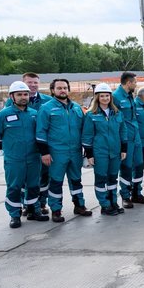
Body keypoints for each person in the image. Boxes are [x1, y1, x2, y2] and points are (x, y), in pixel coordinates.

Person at [36, 78, 92, 222]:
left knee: (76, 180)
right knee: (56, 182)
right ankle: (56, 210)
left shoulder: (76, 108)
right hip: (56, 152)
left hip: (75, 151)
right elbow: (41, 132)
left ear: (68, 89)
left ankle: (79, 205)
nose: (62, 90)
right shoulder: (46, 108)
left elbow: (84, 130)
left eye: (65, 88)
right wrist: (44, 152)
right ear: (52, 90)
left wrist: (87, 150)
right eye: (59, 88)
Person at [0, 82, 43, 228]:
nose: (23, 97)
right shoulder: (2, 115)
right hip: (14, 159)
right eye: (19, 94)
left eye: (25, 94)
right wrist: (11, 149)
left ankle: (34, 210)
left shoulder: (34, 114)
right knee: (14, 187)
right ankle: (15, 215)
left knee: (33, 185)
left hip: (33, 157)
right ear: (12, 96)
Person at [4, 72, 53, 217]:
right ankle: (25, 205)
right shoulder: (11, 103)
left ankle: (41, 204)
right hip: (21, 151)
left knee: (43, 178)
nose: (32, 85)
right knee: (22, 181)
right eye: (29, 82)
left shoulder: (47, 101)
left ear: (39, 83)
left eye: (35, 82)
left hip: (42, 148)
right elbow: (1, 131)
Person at [82, 83, 127, 216]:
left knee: (113, 178)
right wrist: (89, 154)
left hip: (115, 152)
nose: (105, 98)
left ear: (110, 97)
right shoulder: (91, 115)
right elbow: (87, 136)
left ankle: (113, 202)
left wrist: (124, 149)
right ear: (97, 97)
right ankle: (105, 205)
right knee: (101, 179)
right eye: (102, 96)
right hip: (100, 152)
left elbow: (123, 132)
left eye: (107, 96)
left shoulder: (117, 113)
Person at [113, 72, 144, 208]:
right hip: (126, 138)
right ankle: (125, 195)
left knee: (139, 165)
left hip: (136, 137)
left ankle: (136, 193)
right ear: (128, 83)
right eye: (134, 82)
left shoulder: (130, 96)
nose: (136, 84)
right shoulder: (115, 97)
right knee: (126, 167)